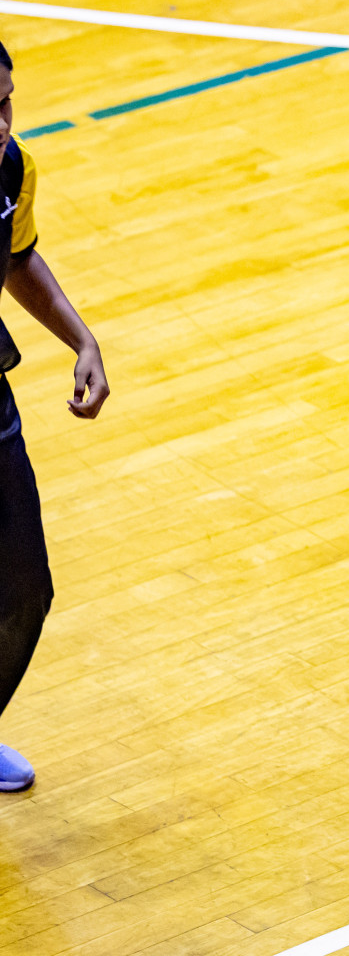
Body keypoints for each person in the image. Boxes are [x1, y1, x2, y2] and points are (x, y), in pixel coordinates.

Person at [0, 41, 110, 792]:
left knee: (22, 588)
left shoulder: (10, 167)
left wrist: (82, 337)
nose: (2, 124)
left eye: (5, 102)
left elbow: (16, 257)